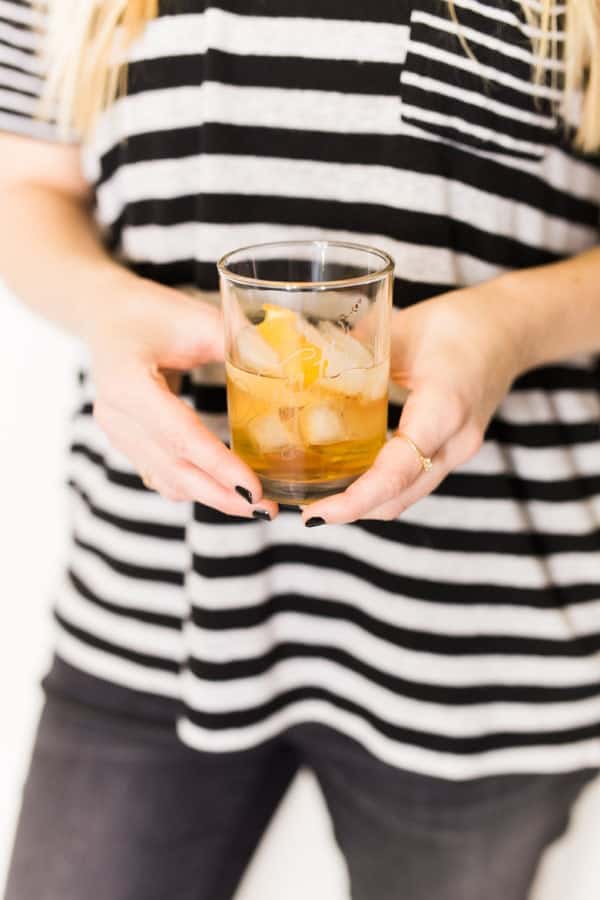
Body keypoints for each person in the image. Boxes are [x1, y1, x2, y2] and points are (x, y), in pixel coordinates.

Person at [2, 1, 600, 898]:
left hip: (481, 642)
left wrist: (510, 328)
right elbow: (26, 185)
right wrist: (105, 308)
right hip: (152, 601)